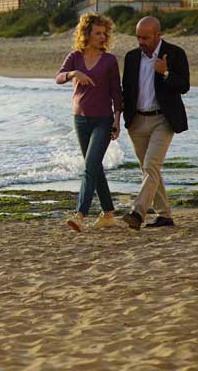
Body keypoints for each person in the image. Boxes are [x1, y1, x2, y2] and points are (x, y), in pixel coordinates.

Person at [120, 16, 190, 230]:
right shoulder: (131, 57)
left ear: (158, 35)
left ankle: (137, 213)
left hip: (163, 119)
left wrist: (165, 72)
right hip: (137, 121)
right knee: (150, 171)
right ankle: (165, 216)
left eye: (146, 37)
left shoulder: (175, 53)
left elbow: (184, 85)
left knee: (151, 166)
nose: (141, 41)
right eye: (138, 37)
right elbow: (127, 90)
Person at [55, 12, 123, 232]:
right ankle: (108, 214)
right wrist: (74, 74)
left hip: (103, 120)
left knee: (90, 166)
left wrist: (117, 120)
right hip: (80, 120)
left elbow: (116, 93)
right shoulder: (75, 57)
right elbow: (58, 77)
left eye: (104, 33)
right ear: (86, 33)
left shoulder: (110, 60)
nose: (102, 37)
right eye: (97, 33)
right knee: (95, 167)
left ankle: (80, 214)